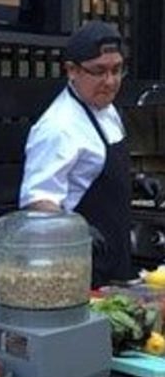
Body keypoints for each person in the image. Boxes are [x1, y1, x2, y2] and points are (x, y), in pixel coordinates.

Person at [19, 20, 158, 288]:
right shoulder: (57, 127)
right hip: (78, 271)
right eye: (99, 71)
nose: (110, 81)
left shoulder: (106, 109)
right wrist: (75, 229)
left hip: (114, 262)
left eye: (117, 70)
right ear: (72, 70)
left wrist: (133, 183)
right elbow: (36, 202)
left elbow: (93, 173)